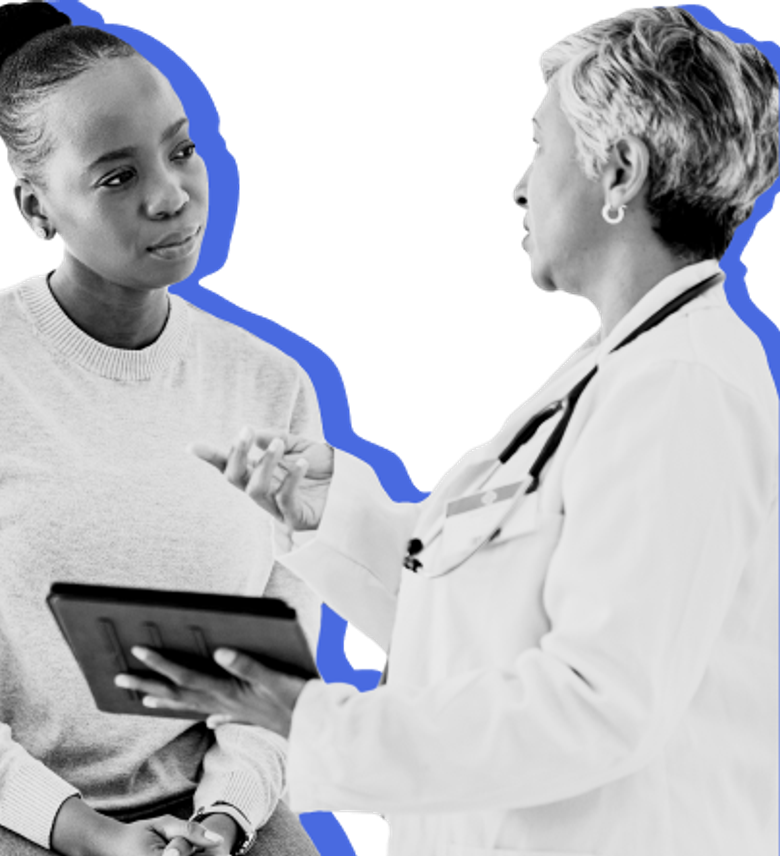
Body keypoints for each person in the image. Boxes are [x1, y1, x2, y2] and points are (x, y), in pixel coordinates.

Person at [115, 8, 780, 855]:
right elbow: (481, 630)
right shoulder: (617, 374)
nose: (521, 184)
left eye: (541, 147)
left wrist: (314, 717)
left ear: (620, 172)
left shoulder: (682, 392)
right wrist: (330, 512)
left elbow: (599, 706)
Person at [0, 3, 325, 855]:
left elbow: (273, 683)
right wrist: (89, 835)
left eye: (181, 150)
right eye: (116, 176)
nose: (171, 195)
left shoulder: (269, 384)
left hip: (197, 803)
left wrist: (225, 817)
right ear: (35, 207)